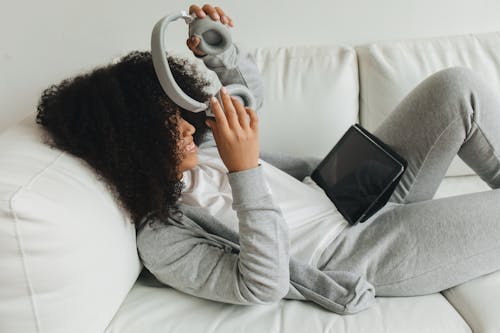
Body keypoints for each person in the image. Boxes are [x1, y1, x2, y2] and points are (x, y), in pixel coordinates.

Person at [35, 4, 500, 314]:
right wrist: (245, 172)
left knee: (456, 86)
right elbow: (261, 285)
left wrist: (219, 51)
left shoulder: (206, 147)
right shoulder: (164, 238)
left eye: (173, 113)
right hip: (361, 247)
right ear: (129, 149)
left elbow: (245, 97)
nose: (181, 125)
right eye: (163, 126)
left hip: (348, 186)